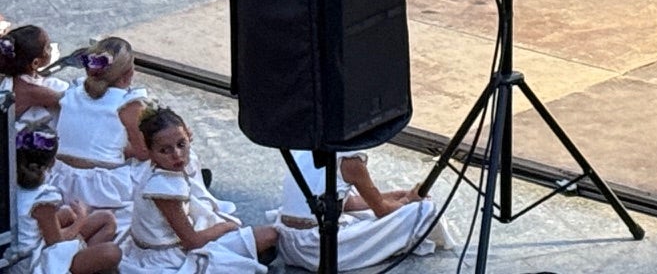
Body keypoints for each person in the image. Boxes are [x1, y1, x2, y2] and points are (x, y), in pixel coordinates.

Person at [124, 106, 277, 272]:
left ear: (189, 137)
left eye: (181, 144)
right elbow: (192, 242)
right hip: (170, 258)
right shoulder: (163, 188)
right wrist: (225, 227)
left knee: (268, 236)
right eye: (164, 150)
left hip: (177, 243)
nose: (176, 154)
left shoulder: (163, 168)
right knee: (266, 237)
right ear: (150, 153)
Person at [272, 146, 448, 270]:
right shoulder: (350, 160)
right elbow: (382, 210)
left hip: (288, 245)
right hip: (319, 250)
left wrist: (399, 195)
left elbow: (349, 203)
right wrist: (409, 200)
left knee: (362, 212)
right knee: (423, 209)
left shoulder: (305, 144)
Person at [55, 39, 147, 234]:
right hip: (102, 190)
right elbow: (143, 153)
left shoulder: (73, 90)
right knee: (161, 157)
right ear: (129, 73)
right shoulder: (129, 103)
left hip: (58, 180)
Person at [14, 126, 124, 274]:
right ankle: (84, 264)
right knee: (112, 252)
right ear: (53, 161)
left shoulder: (11, 183)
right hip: (34, 264)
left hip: (32, 245)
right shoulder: (43, 197)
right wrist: (81, 218)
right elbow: (56, 243)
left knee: (103, 218)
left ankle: (85, 261)